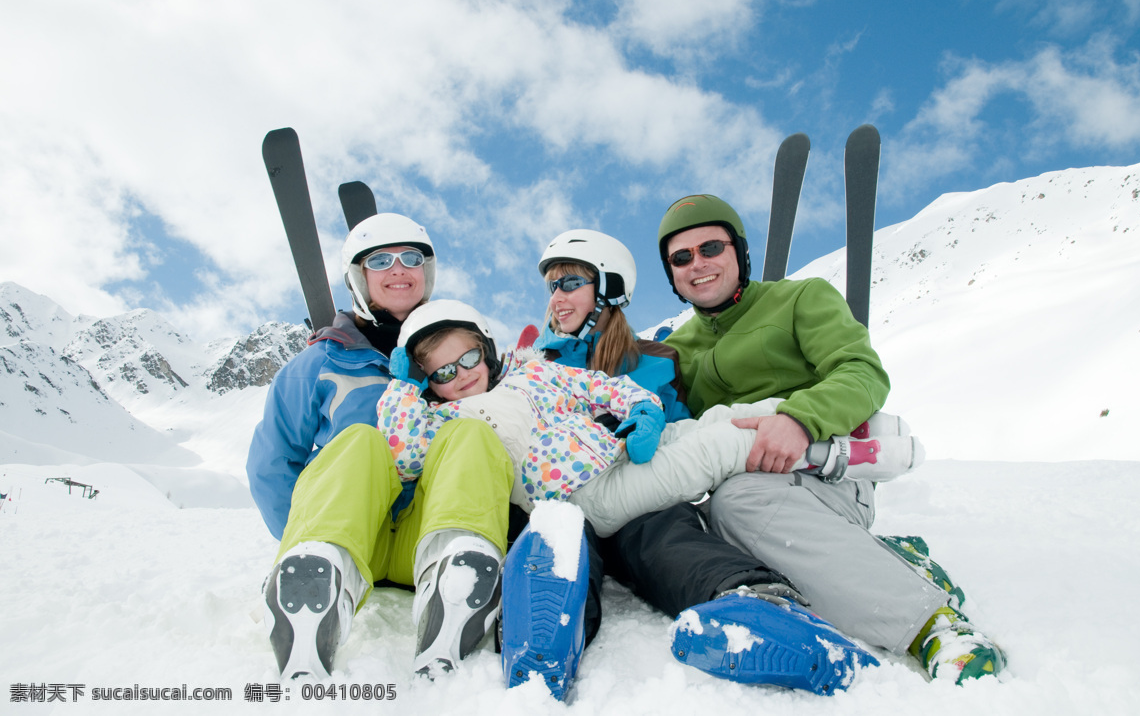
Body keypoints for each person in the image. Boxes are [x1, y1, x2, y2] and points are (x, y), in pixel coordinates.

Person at [378, 298, 895, 697]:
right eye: (442, 373)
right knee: (714, 450)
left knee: (711, 422)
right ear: (429, 383)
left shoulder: (536, 372)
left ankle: (851, 431)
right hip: (587, 493)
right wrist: (401, 389)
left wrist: (643, 410)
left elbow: (605, 388)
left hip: (619, 451)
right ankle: (835, 452)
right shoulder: (449, 418)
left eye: (467, 357)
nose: (462, 374)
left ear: (487, 347)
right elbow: (403, 454)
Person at [529, 229, 918, 695]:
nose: (558, 297)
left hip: (636, 491)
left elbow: (682, 435)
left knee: (662, 524)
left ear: (608, 288)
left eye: (570, 283)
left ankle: (753, 604)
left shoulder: (654, 360)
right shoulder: (534, 366)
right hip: (563, 493)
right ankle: (540, 637)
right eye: (552, 286)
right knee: (557, 529)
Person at [655, 194, 1006, 684]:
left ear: (738, 251)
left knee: (736, 504)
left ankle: (932, 623)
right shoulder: (676, 348)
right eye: (681, 257)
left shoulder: (799, 299)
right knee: (696, 525)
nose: (699, 264)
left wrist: (799, 419)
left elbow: (861, 372)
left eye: (711, 247)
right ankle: (891, 560)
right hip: (748, 493)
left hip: (829, 472)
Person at [246, 213, 514, 680]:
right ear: (359, 277)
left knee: (470, 433)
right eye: (380, 260)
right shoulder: (321, 363)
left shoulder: (456, 357)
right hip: (353, 537)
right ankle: (318, 574)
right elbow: (272, 461)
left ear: (425, 273)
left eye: (412, 259)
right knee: (360, 442)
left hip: (427, 535)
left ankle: (457, 579)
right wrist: (303, 535)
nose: (398, 269)